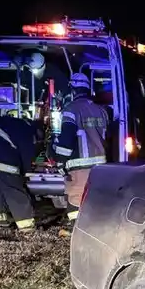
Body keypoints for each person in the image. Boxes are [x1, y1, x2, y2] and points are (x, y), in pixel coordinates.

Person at [55, 72, 111, 224]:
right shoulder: (102, 111)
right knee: (94, 197)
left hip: (79, 164)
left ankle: (77, 229)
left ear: (73, 90)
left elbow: (66, 140)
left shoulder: (71, 109)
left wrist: (60, 162)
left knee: (76, 198)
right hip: (101, 165)